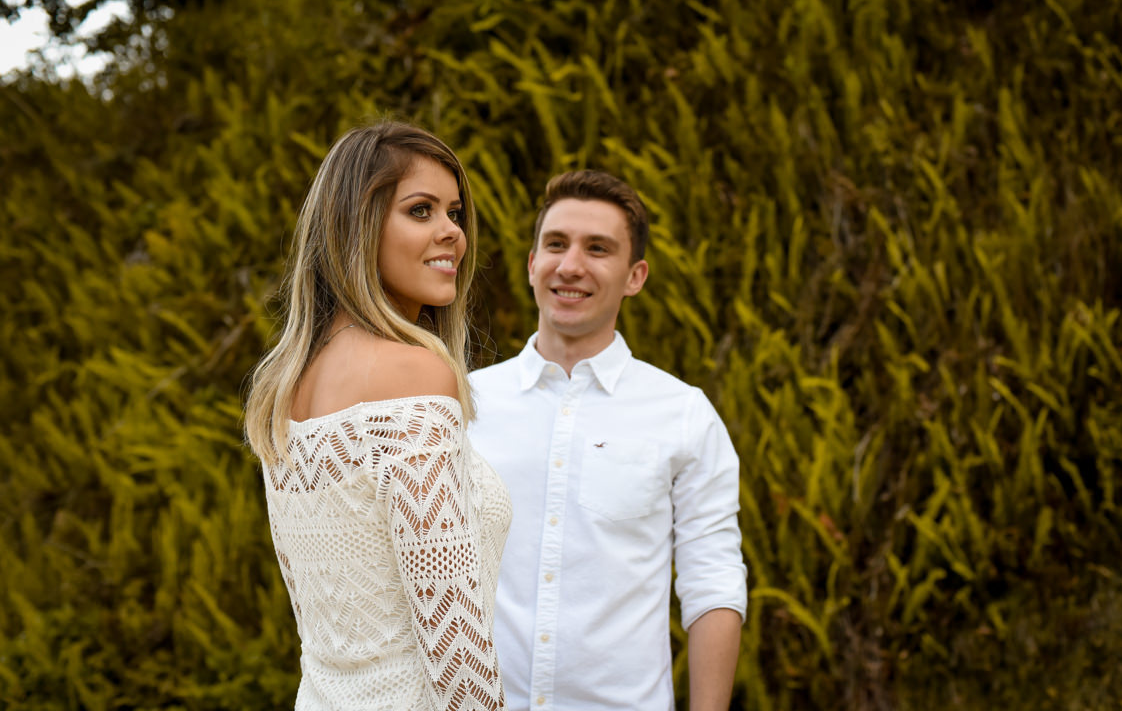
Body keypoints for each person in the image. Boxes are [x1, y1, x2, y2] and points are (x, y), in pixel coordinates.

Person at [244, 121, 510, 710]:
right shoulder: (414, 374)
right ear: (357, 227)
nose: (453, 232)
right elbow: (456, 646)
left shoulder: (285, 386)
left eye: (454, 213)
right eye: (420, 210)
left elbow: (322, 633)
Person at [469, 170, 747, 710]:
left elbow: (713, 583)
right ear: (532, 264)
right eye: (556, 245)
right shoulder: (466, 404)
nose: (571, 265)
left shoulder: (683, 415)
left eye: (597, 249)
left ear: (635, 276)